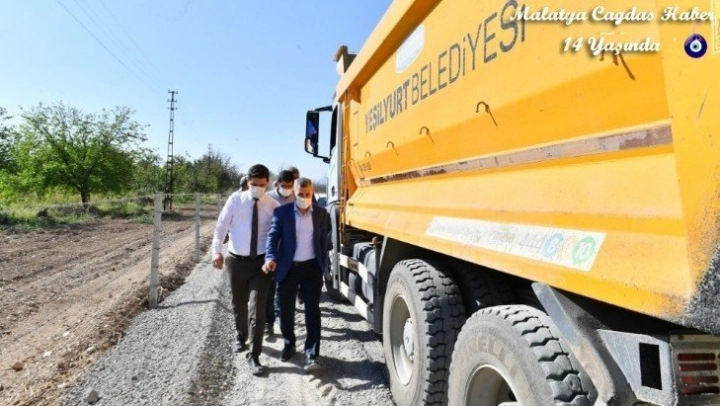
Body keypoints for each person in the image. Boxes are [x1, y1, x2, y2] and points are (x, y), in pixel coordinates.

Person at [212, 164, 280, 376]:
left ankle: (255, 355)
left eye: (261, 185)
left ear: (267, 183)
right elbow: (221, 227)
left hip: (261, 265)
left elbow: (279, 235)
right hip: (236, 262)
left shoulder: (274, 206)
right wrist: (216, 252)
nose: (257, 188)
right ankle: (241, 335)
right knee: (238, 303)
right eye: (253, 184)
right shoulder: (235, 200)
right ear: (248, 182)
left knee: (257, 309)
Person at [263, 177, 330, 370]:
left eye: (308, 194)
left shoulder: (321, 213)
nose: (304, 198)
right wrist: (270, 258)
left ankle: (312, 353)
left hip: (312, 268)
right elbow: (272, 238)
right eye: (300, 194)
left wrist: (324, 265)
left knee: (312, 311)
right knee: (285, 309)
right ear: (294, 193)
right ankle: (289, 343)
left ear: (312, 192)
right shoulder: (282, 213)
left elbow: (323, 240)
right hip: (288, 268)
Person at [264, 170, 296, 337]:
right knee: (269, 286)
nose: (286, 189)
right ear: (277, 183)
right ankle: (268, 321)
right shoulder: (268, 198)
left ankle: (281, 316)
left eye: (289, 186)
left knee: (283, 285)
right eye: (284, 186)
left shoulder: (296, 197)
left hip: (288, 250)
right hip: (271, 247)